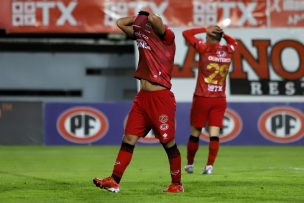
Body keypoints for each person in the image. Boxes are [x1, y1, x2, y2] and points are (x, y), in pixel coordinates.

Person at [93, 11, 184, 193]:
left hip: (161, 99)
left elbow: (155, 19)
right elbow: (120, 23)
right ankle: (114, 180)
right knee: (128, 138)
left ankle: (177, 184)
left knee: (168, 143)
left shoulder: (168, 37)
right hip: (142, 98)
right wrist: (138, 21)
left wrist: (144, 14)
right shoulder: (143, 36)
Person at [182, 25, 238, 175]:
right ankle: (209, 166)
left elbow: (186, 33)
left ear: (209, 37)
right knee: (214, 134)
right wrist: (223, 34)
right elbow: (234, 43)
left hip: (202, 97)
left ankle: (190, 164)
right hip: (219, 99)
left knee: (195, 132)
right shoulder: (228, 50)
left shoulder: (204, 48)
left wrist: (204, 28)